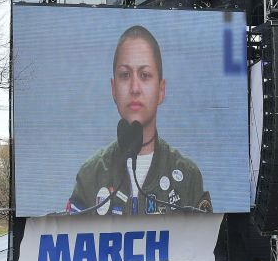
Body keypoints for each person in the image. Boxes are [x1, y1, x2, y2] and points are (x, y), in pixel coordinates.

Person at [68, 25, 211, 214]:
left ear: (161, 90)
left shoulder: (187, 177)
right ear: (113, 89)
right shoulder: (90, 176)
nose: (135, 88)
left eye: (145, 75)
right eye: (125, 75)